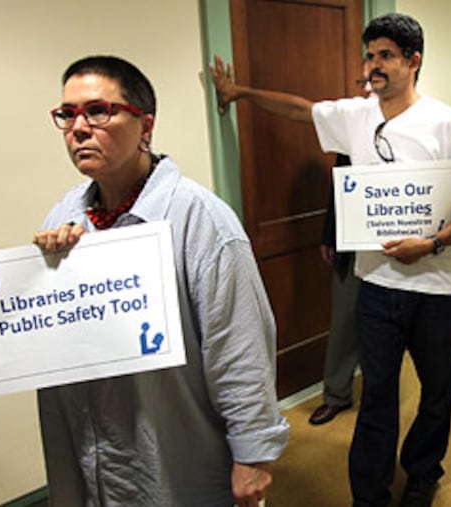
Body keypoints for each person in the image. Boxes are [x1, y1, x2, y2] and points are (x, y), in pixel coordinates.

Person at [210, 13, 451, 507]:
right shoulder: (356, 115)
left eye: (385, 55)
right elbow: (301, 111)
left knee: (436, 393)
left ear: (413, 61)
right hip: (378, 288)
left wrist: (431, 244)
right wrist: (240, 93)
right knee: (378, 397)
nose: (373, 65)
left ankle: (423, 473)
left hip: (438, 291)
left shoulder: (448, 124)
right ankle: (369, 495)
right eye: (369, 55)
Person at [32, 55, 289, 506]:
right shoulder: (65, 216)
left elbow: (240, 348)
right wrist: (48, 270)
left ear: (146, 126)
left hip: (177, 452)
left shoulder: (201, 220)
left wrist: (253, 456)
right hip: (92, 446)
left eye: (98, 111)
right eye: (67, 114)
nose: (78, 128)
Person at [310, 70, 372, 427]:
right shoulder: (351, 130)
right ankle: (336, 394)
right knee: (344, 320)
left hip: (398, 248)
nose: (365, 89)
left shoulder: (415, 127)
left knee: (388, 328)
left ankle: (379, 397)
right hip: (351, 242)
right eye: (362, 82)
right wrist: (329, 235)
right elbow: (339, 187)